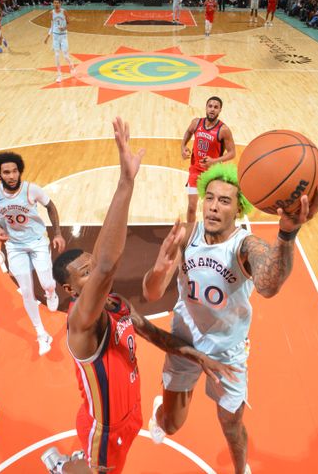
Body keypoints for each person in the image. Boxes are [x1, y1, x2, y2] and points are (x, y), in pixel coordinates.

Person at [42, 118, 239, 474]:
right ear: (70, 291)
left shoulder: (115, 305)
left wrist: (199, 358)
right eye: (84, 274)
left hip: (131, 414)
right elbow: (106, 266)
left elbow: (153, 333)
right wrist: (125, 183)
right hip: (104, 429)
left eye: (89, 264)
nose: (94, 273)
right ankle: (62, 467)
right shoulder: (81, 324)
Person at [142, 163, 318, 474]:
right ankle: (160, 410)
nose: (213, 207)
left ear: (238, 208)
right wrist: (159, 269)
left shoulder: (244, 245)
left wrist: (287, 233)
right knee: (171, 425)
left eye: (224, 201)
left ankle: (241, 471)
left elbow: (268, 285)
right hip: (183, 343)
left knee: (231, 424)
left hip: (227, 351)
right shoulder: (187, 235)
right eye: (209, 198)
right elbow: (151, 292)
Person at [0, 151, 64, 355]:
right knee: (27, 292)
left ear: (19, 172)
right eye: (6, 172)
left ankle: (50, 292)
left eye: (14, 171)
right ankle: (41, 334)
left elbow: (51, 206)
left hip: (37, 241)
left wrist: (57, 233)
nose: (11, 176)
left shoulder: (32, 190)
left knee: (46, 282)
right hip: (14, 246)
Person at [181, 96, 236, 223]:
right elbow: (188, 132)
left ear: (220, 110)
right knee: (191, 207)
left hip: (213, 174)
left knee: (213, 208)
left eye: (216, 107)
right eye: (210, 106)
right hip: (195, 171)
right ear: (206, 107)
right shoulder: (196, 123)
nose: (212, 109)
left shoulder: (224, 130)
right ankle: (191, 235)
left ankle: (215, 231)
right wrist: (183, 146)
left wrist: (214, 161)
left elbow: (232, 153)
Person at [44, 0, 75, 83]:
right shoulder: (51, 13)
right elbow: (52, 25)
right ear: (53, 4)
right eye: (54, 3)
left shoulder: (64, 11)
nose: (56, 4)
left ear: (60, 4)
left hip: (63, 35)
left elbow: (68, 22)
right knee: (57, 55)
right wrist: (48, 36)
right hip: (55, 36)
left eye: (58, 3)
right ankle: (59, 75)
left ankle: (71, 66)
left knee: (65, 55)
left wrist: (63, 28)